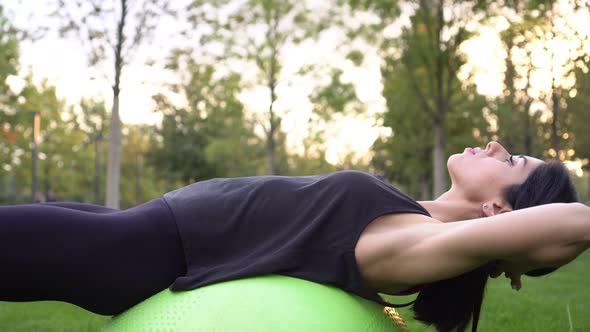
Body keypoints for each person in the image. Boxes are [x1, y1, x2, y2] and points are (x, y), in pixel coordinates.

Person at [0, 141, 587, 332]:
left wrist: (509, 244)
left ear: (499, 210)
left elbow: (572, 225)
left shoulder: (416, 242)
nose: (494, 145)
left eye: (513, 162)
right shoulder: (415, 214)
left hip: (138, 251)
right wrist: (508, 243)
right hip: (137, 222)